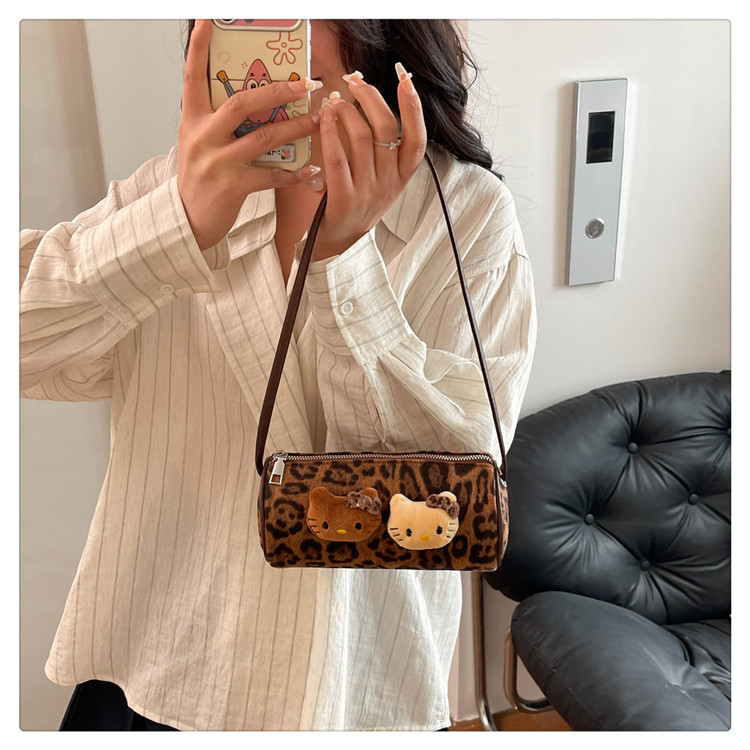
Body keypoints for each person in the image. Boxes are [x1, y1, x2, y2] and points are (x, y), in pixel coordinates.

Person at [20, 19, 536, 731]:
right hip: (167, 660)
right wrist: (174, 224)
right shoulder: (174, 189)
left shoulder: (468, 214)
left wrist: (345, 265)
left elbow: (460, 472)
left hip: (353, 683)